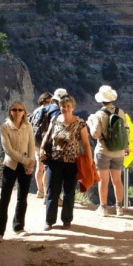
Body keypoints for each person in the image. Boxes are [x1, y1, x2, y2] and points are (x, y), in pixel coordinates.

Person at [40, 94, 92, 230]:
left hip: (72, 162)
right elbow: (47, 135)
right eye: (63, 106)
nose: (65, 108)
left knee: (69, 192)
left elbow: (86, 144)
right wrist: (42, 148)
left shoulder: (80, 123)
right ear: (60, 107)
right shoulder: (55, 119)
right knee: (52, 191)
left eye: (68, 106)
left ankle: (66, 220)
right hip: (55, 161)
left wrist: (89, 160)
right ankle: (49, 221)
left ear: (73, 107)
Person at [0, 102, 36, 242]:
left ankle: (18, 226)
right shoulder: (5, 127)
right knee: (5, 198)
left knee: (22, 198)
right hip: (10, 165)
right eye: (14, 110)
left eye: (20, 110)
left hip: (26, 166)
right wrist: (25, 161)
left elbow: (32, 146)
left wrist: (31, 163)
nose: (17, 112)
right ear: (10, 112)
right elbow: (8, 150)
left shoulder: (27, 126)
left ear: (24, 112)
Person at [87, 85, 129, 217]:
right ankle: (119, 208)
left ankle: (103, 208)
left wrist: (90, 123)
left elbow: (95, 134)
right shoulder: (120, 112)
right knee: (117, 180)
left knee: (103, 180)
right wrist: (126, 146)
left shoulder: (99, 115)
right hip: (119, 151)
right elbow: (126, 130)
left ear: (101, 100)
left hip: (103, 151)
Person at [28, 92, 53, 199]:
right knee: (47, 168)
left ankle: (40, 191)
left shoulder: (35, 112)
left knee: (39, 167)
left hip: (35, 142)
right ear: (46, 101)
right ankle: (47, 193)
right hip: (45, 143)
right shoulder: (48, 111)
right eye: (50, 102)